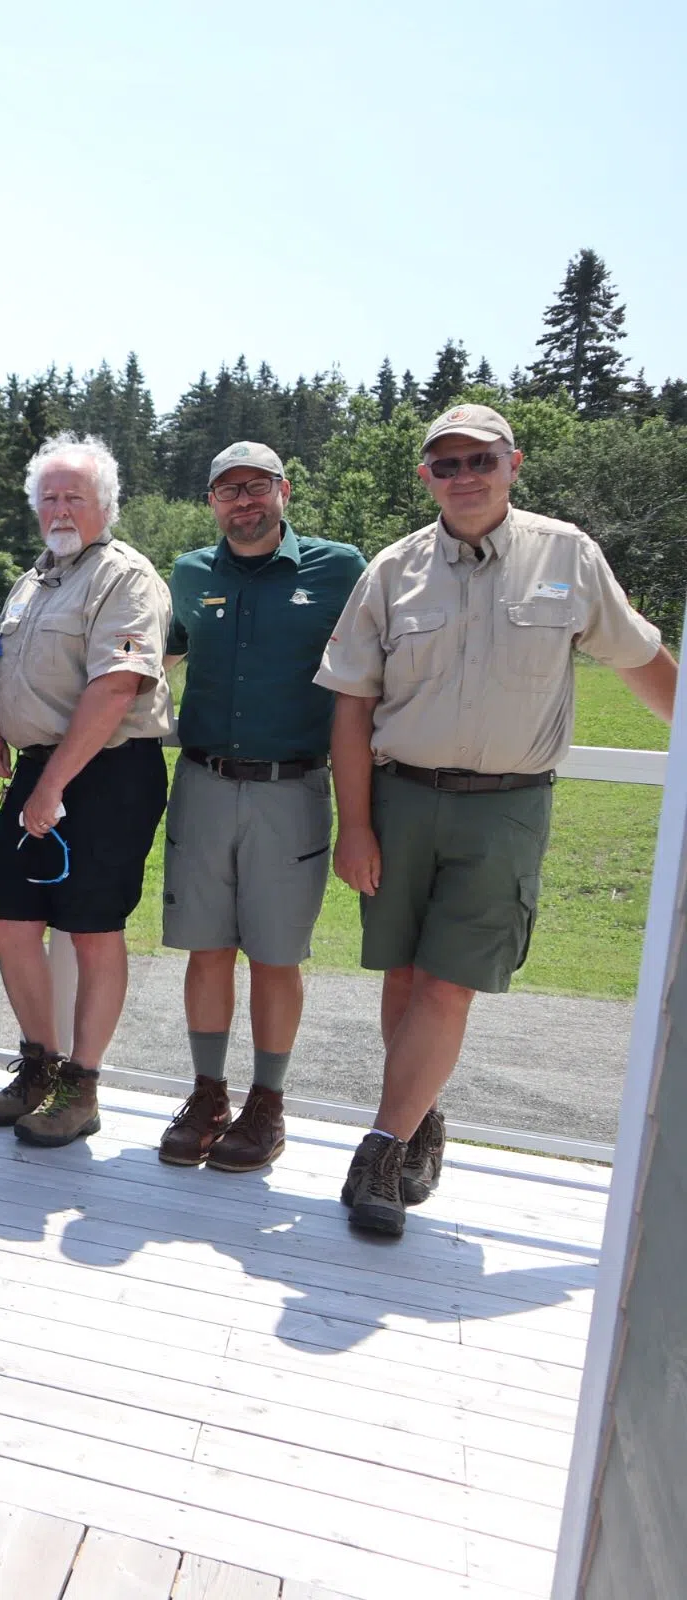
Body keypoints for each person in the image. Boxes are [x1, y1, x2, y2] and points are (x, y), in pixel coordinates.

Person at [317, 403, 676, 1237]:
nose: (465, 476)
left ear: (513, 465)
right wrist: (355, 826)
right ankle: (417, 1124)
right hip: (401, 801)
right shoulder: (393, 570)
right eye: (446, 464)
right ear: (426, 478)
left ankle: (378, 1155)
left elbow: (639, 657)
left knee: (449, 982)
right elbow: (351, 706)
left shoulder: (567, 555)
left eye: (481, 459)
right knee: (404, 977)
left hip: (506, 808)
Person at [155, 441, 364, 1172]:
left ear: (284, 490)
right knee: (206, 948)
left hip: (292, 788)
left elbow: (379, 663)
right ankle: (207, 1095)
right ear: (211, 502)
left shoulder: (339, 568)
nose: (243, 501)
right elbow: (159, 657)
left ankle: (267, 1104)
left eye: (256, 487)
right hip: (204, 783)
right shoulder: (190, 573)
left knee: (276, 955)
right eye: (228, 490)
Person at [0, 433, 173, 1148]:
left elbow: (116, 687)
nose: (59, 509)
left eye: (74, 497)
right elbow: (8, 664)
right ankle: (39, 1066)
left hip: (107, 773)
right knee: (10, 920)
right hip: (38, 770)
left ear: (106, 505)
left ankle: (81, 1086)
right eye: (49, 497)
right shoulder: (35, 578)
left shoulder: (127, 577)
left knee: (92, 929)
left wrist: (53, 783)